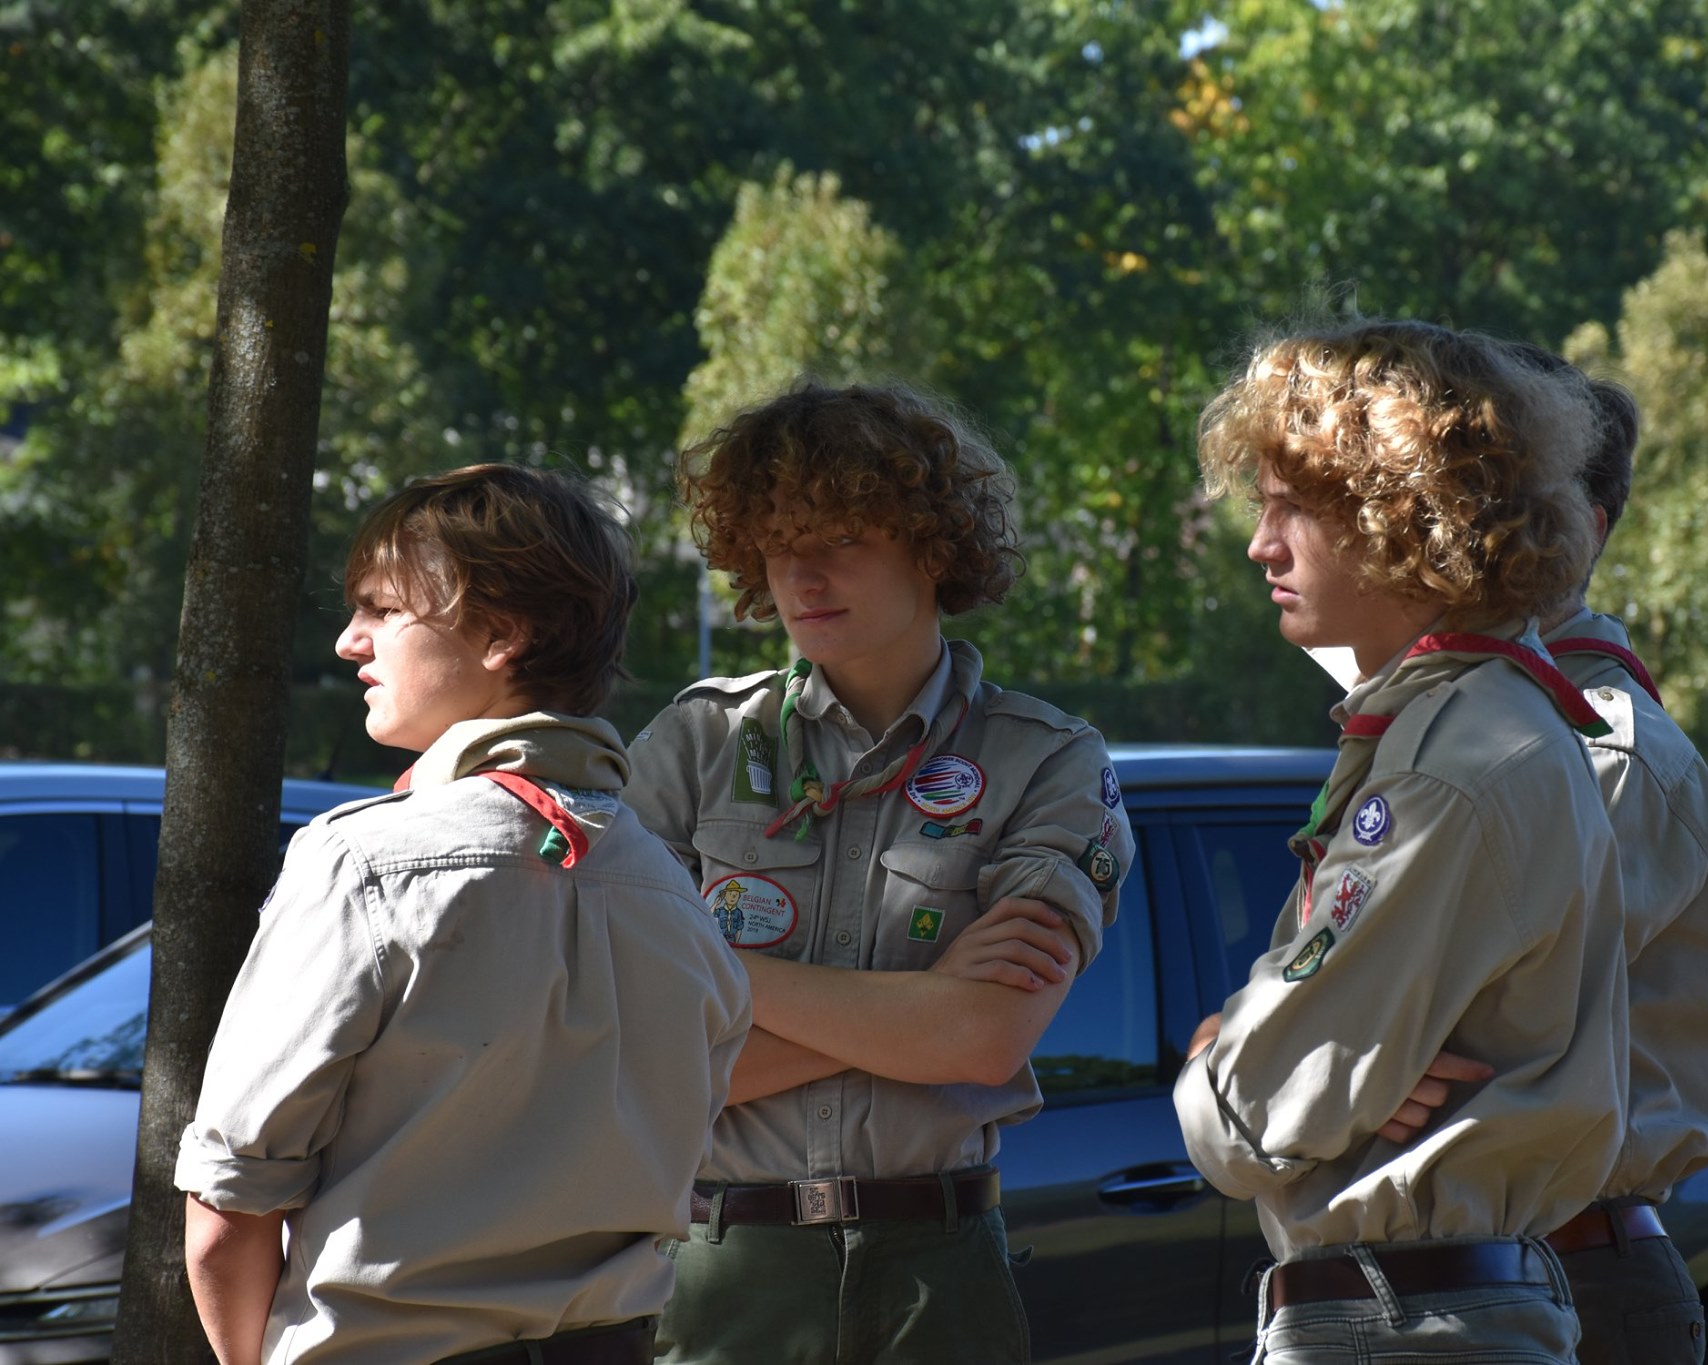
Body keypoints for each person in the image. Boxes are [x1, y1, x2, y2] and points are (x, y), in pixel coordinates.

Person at [177, 463, 751, 1365]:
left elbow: (227, 1208)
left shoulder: (360, 864)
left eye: (383, 608)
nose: (349, 641)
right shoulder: (674, 890)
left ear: (503, 634)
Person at [622, 379, 1134, 1365]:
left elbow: (983, 1038)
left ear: (933, 545)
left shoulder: (1048, 760)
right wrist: (919, 1011)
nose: (802, 574)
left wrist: (718, 979)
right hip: (722, 1269)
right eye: (778, 544)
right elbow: (641, 1060)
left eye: (842, 537)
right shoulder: (696, 744)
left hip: (936, 1274)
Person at [1173, 318, 1631, 1364]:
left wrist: (1216, 1054)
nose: (1260, 545)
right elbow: (1304, 1066)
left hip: (1400, 1324)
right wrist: (1298, 1052)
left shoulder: (1450, 760)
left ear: (1403, 513)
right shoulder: (1479, 720)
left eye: (1290, 507)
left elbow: (1251, 1119)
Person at [1534, 376, 1708, 1364]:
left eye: (1492, 498)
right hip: (1515, 1266)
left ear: (1579, 532)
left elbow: (1482, 1016)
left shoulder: (1604, 747)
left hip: (1574, 1275)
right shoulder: (1484, 723)